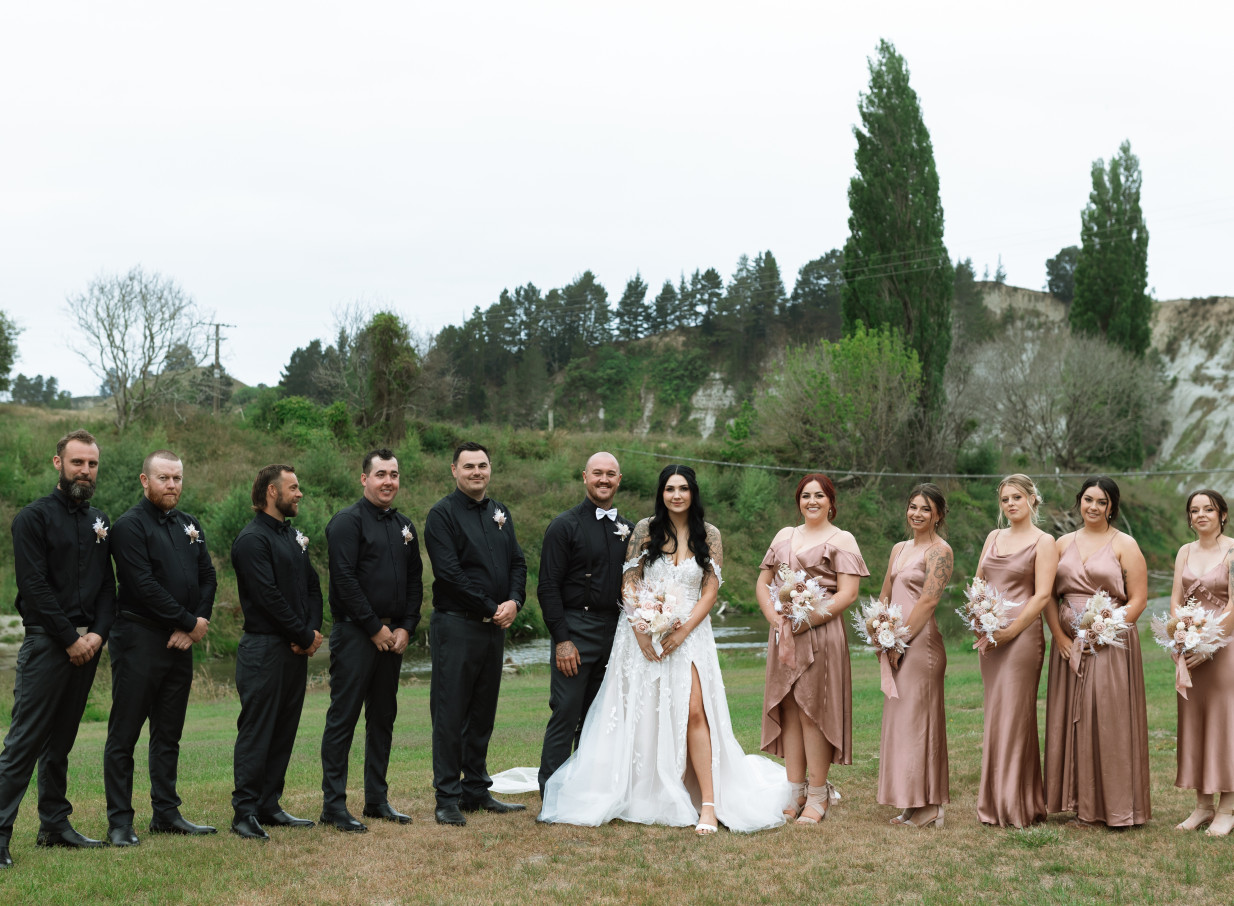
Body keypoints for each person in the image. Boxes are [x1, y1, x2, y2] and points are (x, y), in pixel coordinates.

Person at [540, 465, 787, 834]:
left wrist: (684, 629)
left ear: (693, 492)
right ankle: (645, 791)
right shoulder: (644, 529)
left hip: (691, 634)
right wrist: (641, 629)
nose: (676, 495)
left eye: (683, 488)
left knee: (694, 712)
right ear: (662, 492)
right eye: (670, 488)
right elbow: (629, 581)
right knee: (643, 711)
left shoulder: (711, 535)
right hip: (642, 634)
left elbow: (710, 590)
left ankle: (707, 804)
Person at [0, 429, 115, 868]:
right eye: (77, 463)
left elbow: (109, 588)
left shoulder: (99, 522)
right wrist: (70, 638)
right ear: (58, 464)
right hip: (49, 643)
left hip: (89, 645)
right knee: (24, 742)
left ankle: (54, 825)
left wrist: (97, 636)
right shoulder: (32, 519)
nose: (85, 471)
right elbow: (34, 588)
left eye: (92, 464)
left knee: (61, 741)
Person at [104, 450, 217, 847]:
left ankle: (166, 814)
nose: (172, 485)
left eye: (177, 479)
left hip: (180, 643)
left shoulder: (190, 524)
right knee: (125, 734)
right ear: (144, 480)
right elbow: (142, 586)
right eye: (164, 478)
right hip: (139, 639)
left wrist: (196, 626)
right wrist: (189, 621)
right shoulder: (129, 527)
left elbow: (208, 576)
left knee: (168, 734)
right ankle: (120, 822)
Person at [319, 448, 423, 832]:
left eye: (394, 474)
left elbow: (415, 581)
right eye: (380, 474)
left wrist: (405, 627)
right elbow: (344, 580)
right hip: (355, 633)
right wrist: (373, 627)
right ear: (364, 479)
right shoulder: (347, 522)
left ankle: (377, 799)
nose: (388, 482)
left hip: (392, 636)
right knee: (343, 717)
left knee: (383, 716)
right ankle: (334, 804)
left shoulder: (404, 526)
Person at [424, 442, 528, 826]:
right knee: (450, 712)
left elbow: (518, 561)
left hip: (493, 627)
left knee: (483, 711)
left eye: (482, 465)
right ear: (454, 470)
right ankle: (447, 797)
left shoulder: (500, 512)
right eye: (468, 466)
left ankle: (476, 790)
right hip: (456, 624)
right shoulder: (442, 515)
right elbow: (449, 573)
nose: (476, 472)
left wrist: (515, 600)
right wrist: (491, 606)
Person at [756, 473, 868, 824]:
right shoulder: (784, 536)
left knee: (812, 710)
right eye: (806, 496)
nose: (812, 501)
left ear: (831, 502)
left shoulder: (843, 539)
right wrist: (776, 618)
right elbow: (763, 583)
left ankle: (819, 796)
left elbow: (847, 594)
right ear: (798, 501)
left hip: (821, 634)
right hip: (784, 634)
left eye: (819, 495)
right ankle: (795, 791)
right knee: (788, 708)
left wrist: (806, 619)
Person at [1044, 476, 1150, 828]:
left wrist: (1106, 629)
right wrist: (1059, 635)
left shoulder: (1126, 545)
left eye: (1101, 502)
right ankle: (1077, 803)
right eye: (1088, 499)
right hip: (1067, 647)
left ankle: (1112, 807)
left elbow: (1138, 600)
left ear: (1111, 507)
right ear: (1079, 502)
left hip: (1110, 644)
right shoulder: (1060, 544)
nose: (1093, 507)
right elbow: (1045, 594)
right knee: (1068, 719)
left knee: (1105, 718)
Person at [229, 464, 324, 840]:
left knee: (284, 728)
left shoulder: (292, 536)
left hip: (294, 649)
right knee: (257, 729)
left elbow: (314, 586)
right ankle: (244, 812)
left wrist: (313, 632)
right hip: (264, 649)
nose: (299, 494)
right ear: (272, 491)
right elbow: (267, 597)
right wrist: (302, 632)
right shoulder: (252, 540)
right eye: (293, 488)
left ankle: (269, 805)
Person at [536, 452, 633, 797]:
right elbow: (547, 587)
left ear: (619, 480)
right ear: (584, 477)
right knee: (566, 712)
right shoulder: (564, 525)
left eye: (610, 474)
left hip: (617, 632)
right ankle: (553, 792)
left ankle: (592, 789)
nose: (604, 480)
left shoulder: (630, 530)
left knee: (602, 717)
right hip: (576, 630)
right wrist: (562, 640)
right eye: (597, 474)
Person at [971, 474, 1057, 828]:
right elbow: (978, 582)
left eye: (1017, 497)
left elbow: (1041, 595)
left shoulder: (1044, 541)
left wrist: (1009, 631)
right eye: (1005, 499)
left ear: (1032, 499)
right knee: (995, 715)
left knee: (1016, 716)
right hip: (990, 639)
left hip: (1020, 638)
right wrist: (979, 617)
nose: (1010, 504)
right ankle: (996, 802)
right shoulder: (993, 537)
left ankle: (1014, 805)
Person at [876, 483, 952, 829]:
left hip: (920, 646)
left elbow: (928, 601)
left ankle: (930, 806)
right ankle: (910, 802)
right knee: (901, 722)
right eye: (912, 506)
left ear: (938, 515)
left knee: (919, 722)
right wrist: (878, 632)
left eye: (925, 509)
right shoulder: (899, 548)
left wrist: (899, 641)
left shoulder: (940, 551)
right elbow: (885, 593)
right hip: (894, 641)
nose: (917, 514)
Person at [1168, 489, 1234, 836]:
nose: (1201, 515)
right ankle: (1202, 806)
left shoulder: (1233, 550)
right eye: (1194, 510)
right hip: (1190, 647)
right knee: (1194, 720)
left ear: (1222, 514)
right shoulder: (1184, 551)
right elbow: (1177, 600)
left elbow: (1233, 605)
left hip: (1224, 647)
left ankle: (1228, 808)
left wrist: (1208, 642)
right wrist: (1179, 635)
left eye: (1208, 509)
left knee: (1224, 722)